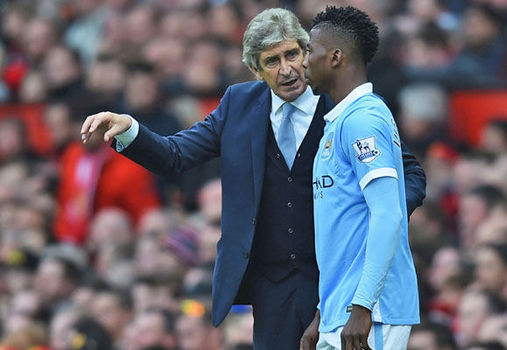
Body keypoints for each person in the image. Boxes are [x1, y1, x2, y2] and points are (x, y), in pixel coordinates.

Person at [80, 8, 426, 349]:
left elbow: (407, 173)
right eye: (272, 61)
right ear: (255, 70)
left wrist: (373, 217)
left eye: (292, 53)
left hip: (336, 279)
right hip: (270, 286)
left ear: (307, 51)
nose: (287, 68)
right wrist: (130, 131)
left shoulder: (340, 101)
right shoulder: (238, 104)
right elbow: (176, 155)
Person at [301, 6, 420, 350]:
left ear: (336, 57)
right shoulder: (338, 122)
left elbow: (388, 215)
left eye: (310, 51)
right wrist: (325, 311)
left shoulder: (364, 121)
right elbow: (343, 229)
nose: (304, 61)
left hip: (373, 312)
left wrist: (363, 305)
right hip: (342, 310)